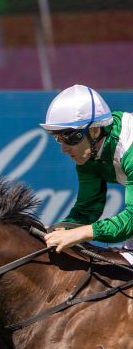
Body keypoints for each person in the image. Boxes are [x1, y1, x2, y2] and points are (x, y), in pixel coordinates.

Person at [42, 85, 133, 253]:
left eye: (69, 137)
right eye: (58, 138)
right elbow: (88, 208)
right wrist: (63, 229)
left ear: (95, 131)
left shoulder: (130, 149)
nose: (64, 148)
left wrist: (81, 233)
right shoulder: (90, 152)